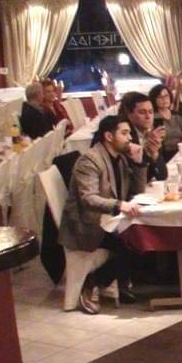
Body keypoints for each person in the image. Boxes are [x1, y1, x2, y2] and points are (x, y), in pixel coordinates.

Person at [59, 116, 148, 313]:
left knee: (138, 240)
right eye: (124, 133)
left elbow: (137, 191)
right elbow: (88, 199)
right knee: (133, 243)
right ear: (109, 136)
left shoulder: (120, 158)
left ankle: (105, 280)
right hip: (86, 226)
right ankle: (92, 283)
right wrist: (119, 205)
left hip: (106, 221)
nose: (130, 138)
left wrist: (139, 162)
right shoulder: (90, 160)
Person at [122, 92, 168, 180]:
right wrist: (145, 151)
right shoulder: (126, 137)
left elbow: (162, 176)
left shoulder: (152, 134)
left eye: (151, 112)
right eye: (142, 112)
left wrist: (154, 153)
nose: (148, 116)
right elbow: (136, 178)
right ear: (130, 115)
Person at [148, 84, 182, 161]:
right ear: (154, 100)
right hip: (165, 156)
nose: (164, 99)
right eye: (160, 97)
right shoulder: (153, 118)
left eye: (166, 96)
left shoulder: (176, 115)